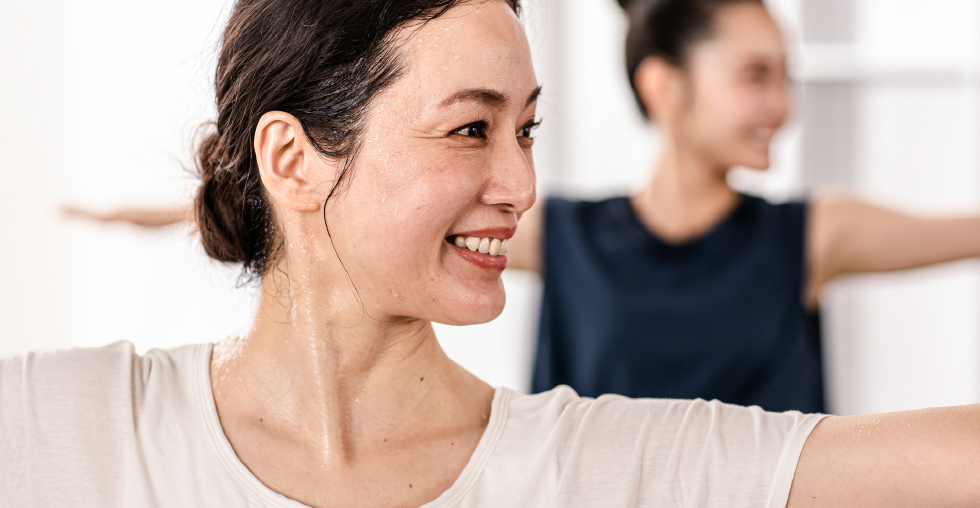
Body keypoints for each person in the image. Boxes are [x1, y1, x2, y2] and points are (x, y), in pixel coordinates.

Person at [4, 0, 980, 506]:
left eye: (527, 131)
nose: (519, 184)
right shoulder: (68, 424)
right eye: (471, 129)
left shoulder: (608, 464)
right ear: (290, 159)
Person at [500, 0, 980, 413]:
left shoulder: (809, 238)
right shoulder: (558, 236)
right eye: (756, 75)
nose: (784, 106)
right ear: (663, 87)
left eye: (785, 76)